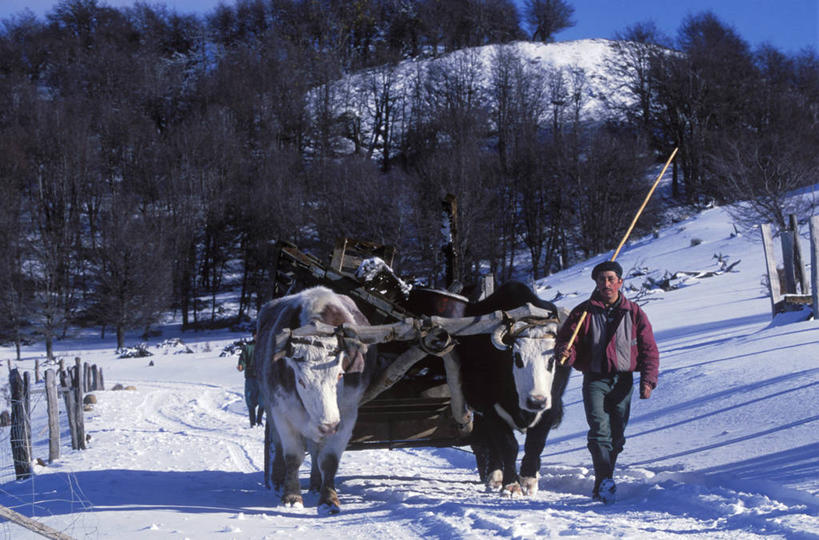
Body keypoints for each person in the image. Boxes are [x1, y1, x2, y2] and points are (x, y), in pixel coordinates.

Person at [555, 260, 659, 504]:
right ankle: (604, 481)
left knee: (617, 436)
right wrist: (565, 352)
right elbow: (567, 342)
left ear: (620, 282)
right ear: (596, 283)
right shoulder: (583, 312)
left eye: (611, 279)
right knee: (599, 430)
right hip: (595, 380)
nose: (606, 284)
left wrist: (648, 380)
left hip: (623, 380)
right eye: (601, 279)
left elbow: (649, 350)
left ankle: (604, 479)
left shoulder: (634, 312)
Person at [237, 329, 263, 427]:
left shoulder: (265, 346)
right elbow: (243, 359)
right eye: (256, 335)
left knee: (263, 400)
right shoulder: (248, 347)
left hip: (263, 378)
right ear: (253, 336)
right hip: (250, 377)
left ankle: (259, 421)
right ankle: (252, 422)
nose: (257, 336)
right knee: (250, 400)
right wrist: (241, 365)